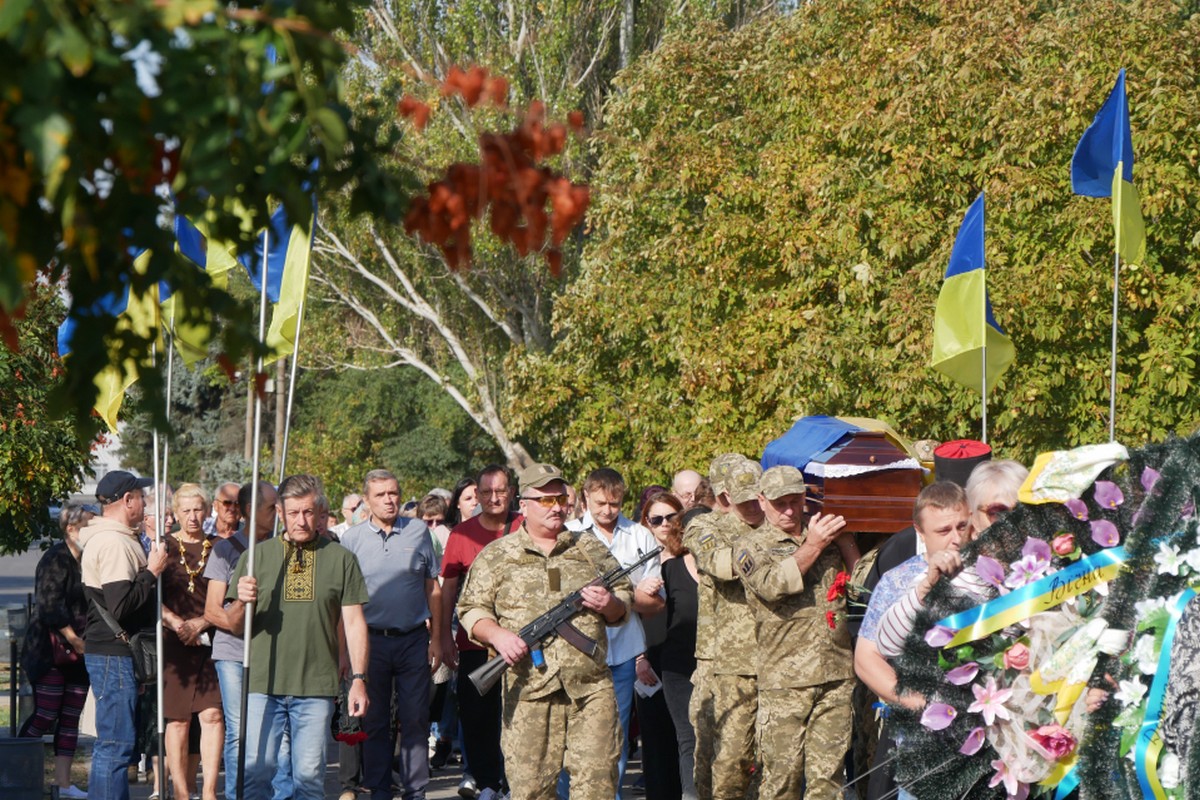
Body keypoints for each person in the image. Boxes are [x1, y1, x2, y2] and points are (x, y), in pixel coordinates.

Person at [457, 463, 632, 800]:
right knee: (531, 789)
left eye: (561, 500)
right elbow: (470, 610)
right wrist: (498, 636)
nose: (557, 507)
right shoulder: (499, 555)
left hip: (590, 688)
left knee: (598, 785)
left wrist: (609, 603)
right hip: (529, 691)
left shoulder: (589, 548)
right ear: (523, 504)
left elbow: (624, 600)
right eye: (546, 500)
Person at [230, 474, 370, 800]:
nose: (301, 521)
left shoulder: (342, 559)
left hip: (316, 685)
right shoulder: (256, 557)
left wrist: (359, 678)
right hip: (263, 683)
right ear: (280, 512)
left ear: (320, 511)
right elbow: (235, 625)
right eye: (293, 513)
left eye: (308, 512)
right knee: (256, 775)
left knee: (309, 780)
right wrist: (241, 600)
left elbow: (354, 623)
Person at [733, 465, 852, 800]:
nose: (788, 509)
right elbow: (773, 585)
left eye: (794, 500)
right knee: (780, 780)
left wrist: (846, 543)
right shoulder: (750, 546)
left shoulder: (824, 533)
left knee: (828, 781)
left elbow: (860, 587)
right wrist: (813, 545)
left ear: (805, 498)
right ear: (762, 500)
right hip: (786, 680)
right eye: (779, 503)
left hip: (836, 673)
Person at [340, 469, 442, 800]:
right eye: (381, 495)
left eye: (394, 493)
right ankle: (379, 790)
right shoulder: (352, 540)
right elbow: (344, 602)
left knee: (415, 720)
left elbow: (433, 588)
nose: (389, 499)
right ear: (366, 501)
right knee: (375, 722)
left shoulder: (418, 532)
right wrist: (344, 652)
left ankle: (416, 791)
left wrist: (438, 638)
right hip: (371, 643)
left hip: (414, 639)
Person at [566, 468, 664, 799]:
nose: (608, 511)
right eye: (600, 503)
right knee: (571, 739)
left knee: (615, 740)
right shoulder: (568, 536)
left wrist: (621, 597)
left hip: (623, 651)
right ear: (584, 498)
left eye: (615, 503)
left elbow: (655, 604)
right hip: (576, 652)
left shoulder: (640, 537)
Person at [80, 470, 169, 800]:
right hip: (112, 654)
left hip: (114, 654)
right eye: (140, 496)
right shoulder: (114, 542)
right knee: (116, 747)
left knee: (112, 746)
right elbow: (121, 606)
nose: (145, 501)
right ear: (126, 500)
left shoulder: (112, 538)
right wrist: (152, 571)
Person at [203, 480, 292, 800]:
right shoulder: (225, 550)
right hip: (234, 653)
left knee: (279, 731)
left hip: (274, 651)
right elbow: (212, 611)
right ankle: (238, 794)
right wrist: (236, 618)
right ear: (251, 511)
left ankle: (281, 795)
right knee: (240, 731)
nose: (278, 512)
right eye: (272, 507)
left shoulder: (286, 547)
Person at [440, 464, 523, 798]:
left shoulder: (524, 526)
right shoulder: (462, 535)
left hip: (522, 640)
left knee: (520, 717)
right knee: (478, 718)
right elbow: (447, 590)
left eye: (500, 491)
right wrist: (443, 637)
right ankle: (487, 782)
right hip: (475, 642)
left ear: (512, 492)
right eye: (486, 492)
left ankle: (514, 784)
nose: (493, 498)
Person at [686, 456, 764, 800]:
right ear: (725, 495)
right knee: (719, 761)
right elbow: (721, 564)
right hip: (722, 662)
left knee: (771, 762)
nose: (751, 504)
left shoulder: (778, 522)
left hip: (776, 660)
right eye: (741, 496)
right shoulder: (705, 527)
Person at [19, 503, 96, 800]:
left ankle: (63, 785)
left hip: (80, 653)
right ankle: (17, 772)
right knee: (45, 713)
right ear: (71, 529)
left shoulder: (90, 559)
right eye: (90, 525)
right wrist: (73, 638)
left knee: (70, 718)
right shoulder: (56, 559)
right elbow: (50, 605)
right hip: (50, 652)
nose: (94, 531)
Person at [680, 452, 743, 800]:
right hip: (715, 661)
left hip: (759, 660)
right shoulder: (703, 526)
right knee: (711, 761)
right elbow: (723, 565)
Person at [161, 484, 223, 800]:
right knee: (179, 720)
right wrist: (176, 623)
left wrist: (204, 622)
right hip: (174, 644)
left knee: (212, 715)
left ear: (208, 511)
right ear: (175, 513)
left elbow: (229, 596)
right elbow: (149, 595)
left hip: (212, 639)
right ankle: (181, 791)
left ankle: (210, 790)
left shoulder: (219, 547)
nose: (193, 516)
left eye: (198, 509)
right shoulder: (164, 546)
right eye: (186, 510)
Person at [641, 491, 697, 800]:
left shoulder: (689, 560)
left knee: (688, 738)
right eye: (656, 519)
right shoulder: (640, 564)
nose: (664, 524)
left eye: (671, 517)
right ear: (646, 524)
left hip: (686, 656)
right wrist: (640, 656)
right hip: (650, 658)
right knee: (659, 739)